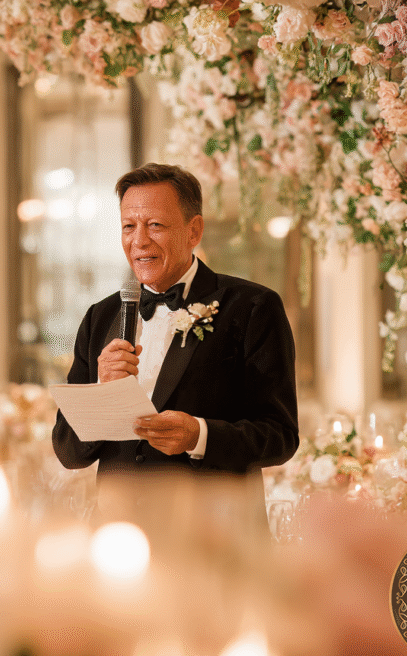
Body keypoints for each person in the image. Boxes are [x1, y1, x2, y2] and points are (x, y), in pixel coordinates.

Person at [52, 163, 299, 506]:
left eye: (155, 225)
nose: (139, 240)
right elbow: (68, 451)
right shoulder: (100, 316)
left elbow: (280, 436)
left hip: (213, 533)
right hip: (119, 534)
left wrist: (199, 435)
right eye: (128, 226)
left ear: (193, 230)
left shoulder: (253, 307)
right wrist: (100, 388)